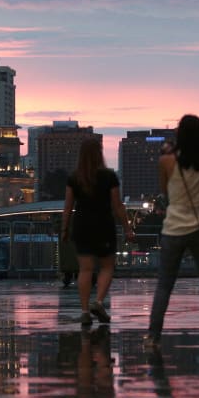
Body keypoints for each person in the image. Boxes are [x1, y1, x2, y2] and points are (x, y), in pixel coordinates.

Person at [146, 114, 199, 350]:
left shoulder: (167, 162)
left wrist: (168, 153)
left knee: (164, 285)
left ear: (179, 134)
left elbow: (165, 192)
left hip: (174, 228)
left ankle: (153, 337)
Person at [61, 137, 134, 325]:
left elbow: (68, 207)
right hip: (104, 225)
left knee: (85, 269)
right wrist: (127, 229)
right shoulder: (109, 176)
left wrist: (64, 229)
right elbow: (118, 206)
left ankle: (85, 311)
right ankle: (99, 302)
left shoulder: (74, 178)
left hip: (82, 226)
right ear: (99, 153)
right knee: (107, 267)